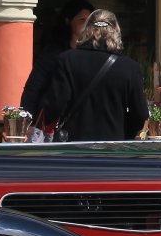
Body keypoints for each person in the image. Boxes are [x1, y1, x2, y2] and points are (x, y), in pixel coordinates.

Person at [40, 10, 147, 142]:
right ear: (116, 32)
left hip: (73, 144)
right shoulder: (130, 67)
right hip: (114, 144)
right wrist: (125, 132)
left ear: (86, 30)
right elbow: (140, 115)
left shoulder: (67, 60)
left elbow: (54, 105)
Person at [20, 0, 93, 124]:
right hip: (55, 122)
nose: (87, 25)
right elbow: (34, 87)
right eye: (82, 20)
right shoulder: (53, 52)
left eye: (91, 21)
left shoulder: (96, 52)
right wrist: (27, 121)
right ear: (68, 21)